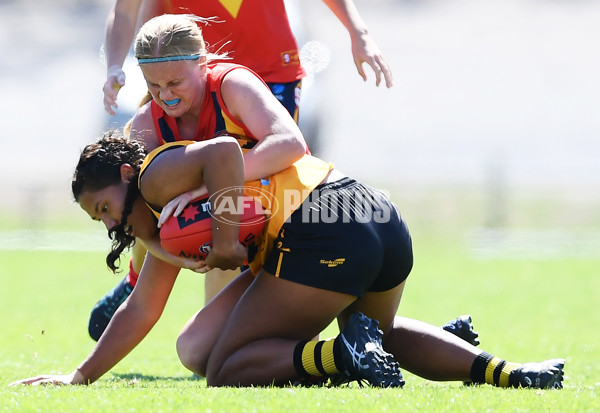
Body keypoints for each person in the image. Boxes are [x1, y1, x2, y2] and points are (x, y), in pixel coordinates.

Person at [11, 132, 564, 388]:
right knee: (382, 335)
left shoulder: (158, 176)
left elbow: (225, 153)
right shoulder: (161, 215)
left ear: (128, 177)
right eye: (97, 219)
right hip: (372, 208)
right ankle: (510, 373)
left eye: (105, 208)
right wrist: (81, 376)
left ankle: (343, 357)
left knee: (226, 367)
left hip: (324, 224)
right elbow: (141, 309)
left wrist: (227, 240)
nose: (109, 224)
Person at [89, 13, 473, 345]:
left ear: (203, 63)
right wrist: (169, 257)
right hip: (260, 237)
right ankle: (431, 344)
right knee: (196, 348)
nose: (165, 96)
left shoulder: (231, 86)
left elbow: (291, 144)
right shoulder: (145, 125)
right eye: (154, 87)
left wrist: (215, 184)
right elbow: (145, 210)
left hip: (303, 221)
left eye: (174, 83)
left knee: (229, 358)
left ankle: (392, 348)